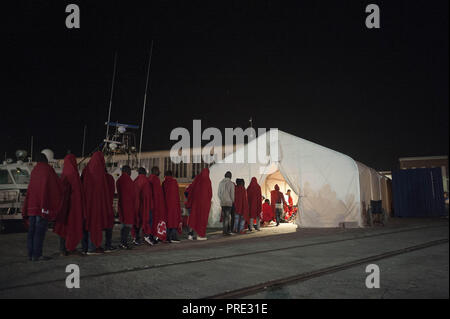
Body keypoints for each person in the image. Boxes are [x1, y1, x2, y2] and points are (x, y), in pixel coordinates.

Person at [22, 153, 63, 261]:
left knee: (31, 231)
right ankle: (37, 255)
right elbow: (56, 187)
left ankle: (30, 254)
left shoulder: (34, 171)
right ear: (46, 160)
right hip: (42, 206)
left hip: (32, 206)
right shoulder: (48, 170)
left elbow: (31, 189)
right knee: (39, 232)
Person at [81, 151, 113, 255]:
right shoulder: (100, 173)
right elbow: (103, 190)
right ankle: (92, 248)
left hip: (86, 203)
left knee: (87, 225)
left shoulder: (86, 171)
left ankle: (85, 247)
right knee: (94, 225)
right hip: (96, 204)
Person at [54, 154, 84, 256]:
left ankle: (62, 249)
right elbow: (77, 192)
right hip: (72, 206)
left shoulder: (65, 173)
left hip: (64, 206)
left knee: (63, 227)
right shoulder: (74, 174)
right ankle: (71, 247)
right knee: (72, 227)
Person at [186, 168, 212, 240]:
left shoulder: (197, 179)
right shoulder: (207, 181)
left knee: (193, 218)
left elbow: (191, 188)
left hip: (195, 203)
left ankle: (190, 235)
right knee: (202, 219)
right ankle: (200, 235)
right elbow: (209, 194)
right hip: (204, 205)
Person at [116, 165, 137, 249]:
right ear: (128, 171)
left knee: (124, 225)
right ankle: (124, 242)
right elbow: (133, 195)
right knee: (128, 225)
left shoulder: (119, 180)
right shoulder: (129, 181)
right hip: (128, 206)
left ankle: (122, 242)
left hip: (121, 205)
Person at [134, 167, 154, 246]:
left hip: (137, 205)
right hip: (145, 205)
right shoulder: (146, 181)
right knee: (148, 220)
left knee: (138, 222)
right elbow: (147, 195)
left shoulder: (135, 180)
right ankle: (146, 236)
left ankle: (136, 238)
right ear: (145, 173)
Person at [148, 166, 167, 243]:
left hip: (150, 204)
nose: (160, 172)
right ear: (155, 171)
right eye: (159, 171)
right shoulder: (155, 179)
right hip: (155, 205)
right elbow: (157, 194)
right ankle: (152, 237)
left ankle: (150, 236)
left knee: (151, 221)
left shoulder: (149, 178)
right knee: (153, 222)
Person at [162, 170, 182, 243]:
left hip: (166, 205)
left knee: (168, 221)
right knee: (174, 221)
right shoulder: (174, 182)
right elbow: (177, 195)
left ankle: (167, 237)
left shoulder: (164, 183)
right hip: (174, 205)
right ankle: (174, 237)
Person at [217, 171, 235, 236]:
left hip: (223, 202)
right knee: (227, 217)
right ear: (230, 176)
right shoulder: (231, 184)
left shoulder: (220, 183)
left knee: (224, 216)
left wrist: (221, 199)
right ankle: (226, 231)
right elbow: (232, 194)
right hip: (229, 202)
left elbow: (218, 193)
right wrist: (232, 201)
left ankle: (224, 230)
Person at [104, 169, 116, 252]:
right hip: (107, 206)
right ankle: (107, 245)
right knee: (109, 227)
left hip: (97, 206)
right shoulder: (109, 178)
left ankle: (89, 246)